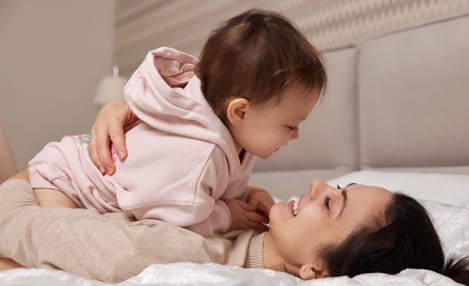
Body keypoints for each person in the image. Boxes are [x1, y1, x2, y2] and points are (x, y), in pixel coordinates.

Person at [26, 9, 327, 237]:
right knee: (66, 240)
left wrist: (248, 195)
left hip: (81, 173)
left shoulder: (235, 137)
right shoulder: (199, 153)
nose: (296, 135)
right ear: (240, 112)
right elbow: (174, 223)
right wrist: (228, 217)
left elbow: (211, 189)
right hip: (67, 179)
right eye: (290, 125)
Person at [0, 171, 469, 286]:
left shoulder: (183, 257)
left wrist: (27, 179)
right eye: (334, 185)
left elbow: (16, 222)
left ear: (317, 269)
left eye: (331, 202)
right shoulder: (245, 219)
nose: (314, 185)